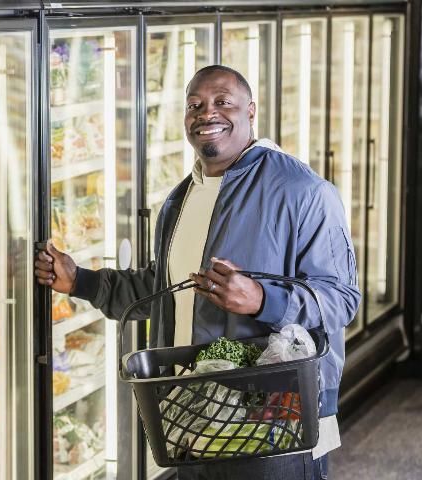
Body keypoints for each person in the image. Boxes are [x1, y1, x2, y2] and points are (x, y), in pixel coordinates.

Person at [35, 64, 361, 480]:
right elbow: (167, 289)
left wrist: (262, 300)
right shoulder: (180, 199)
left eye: (223, 102)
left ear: (251, 111)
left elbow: (341, 300)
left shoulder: (304, 192)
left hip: (277, 421)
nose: (207, 114)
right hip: (193, 418)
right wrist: (80, 281)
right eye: (195, 105)